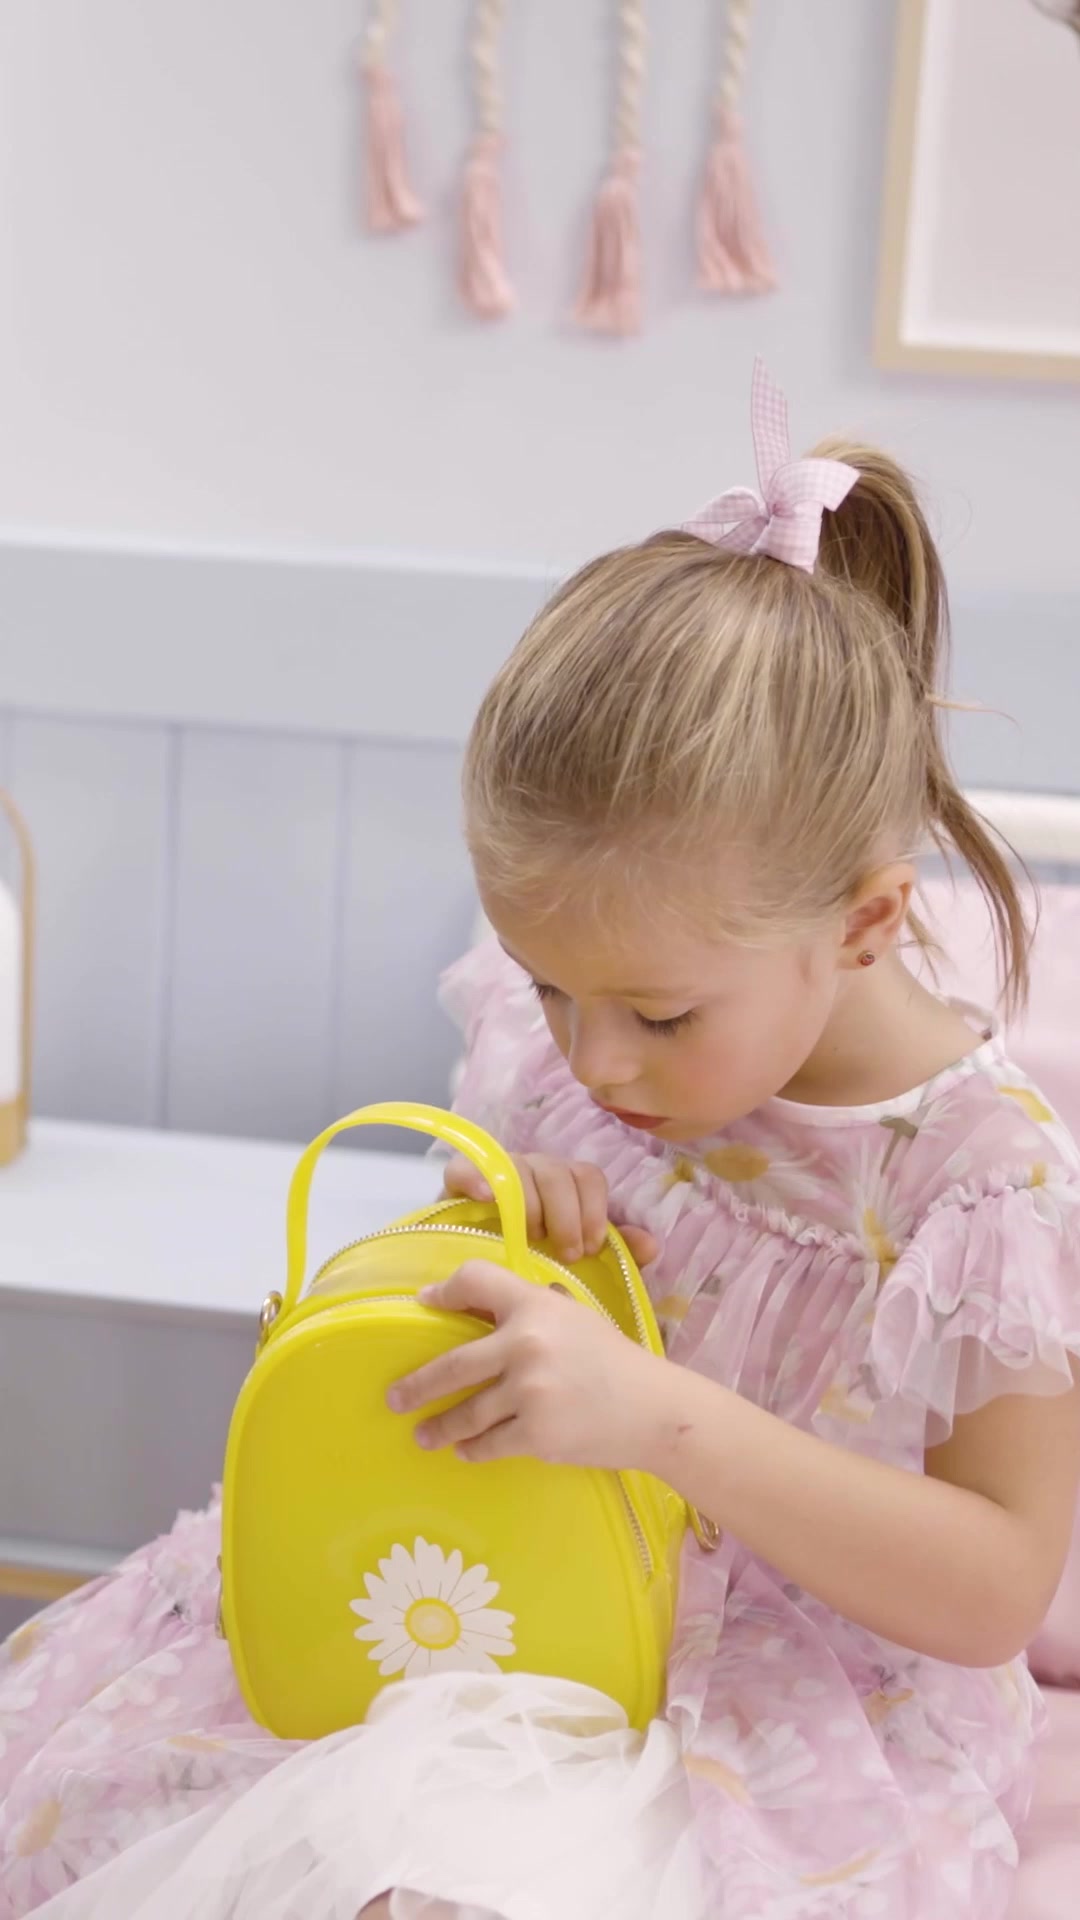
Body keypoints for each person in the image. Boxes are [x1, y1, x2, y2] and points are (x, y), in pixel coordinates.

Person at [2, 362, 1079, 1920]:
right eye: (549, 986)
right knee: (163, 1808)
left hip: (786, 1696)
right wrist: (489, 1238)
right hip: (506, 1586)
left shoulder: (979, 1183)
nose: (592, 1057)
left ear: (863, 921)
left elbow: (994, 1593)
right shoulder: (576, 1060)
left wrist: (661, 1418)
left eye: (657, 1014)